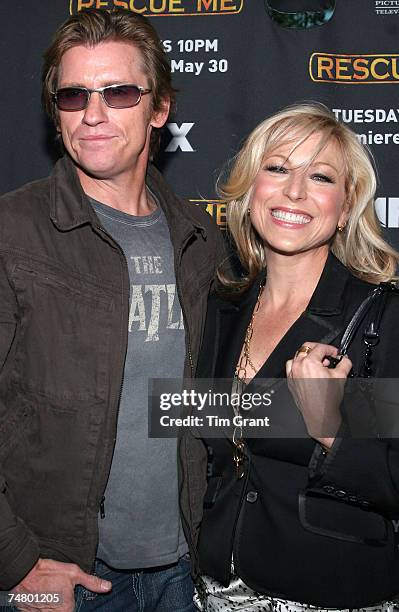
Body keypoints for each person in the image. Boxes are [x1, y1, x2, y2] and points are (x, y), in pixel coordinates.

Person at [0, 8, 224, 612]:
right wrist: (13, 563)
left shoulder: (199, 238)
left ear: (159, 109)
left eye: (119, 92)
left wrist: (343, 416)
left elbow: (206, 400)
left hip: (184, 567)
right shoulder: (13, 232)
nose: (93, 113)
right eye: (74, 96)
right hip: (63, 575)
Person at [178, 102, 399, 611]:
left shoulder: (377, 320)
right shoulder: (222, 306)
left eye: (320, 177)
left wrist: (330, 425)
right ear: (251, 188)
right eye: (277, 168)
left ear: (346, 208)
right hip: (214, 591)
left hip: (330, 594)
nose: (294, 191)